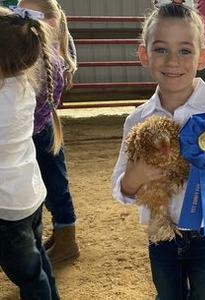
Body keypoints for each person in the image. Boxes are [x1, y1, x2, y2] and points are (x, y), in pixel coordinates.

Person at [112, 3, 205, 299]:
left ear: (203, 57)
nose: (173, 61)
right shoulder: (137, 121)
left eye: (185, 51)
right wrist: (134, 175)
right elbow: (122, 189)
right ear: (145, 55)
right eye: (161, 49)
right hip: (161, 235)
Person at [0, 6, 60, 299]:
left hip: (7, 208)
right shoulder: (21, 84)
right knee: (38, 264)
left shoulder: (4, 101)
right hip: (29, 195)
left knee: (28, 275)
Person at [18, 0, 79, 264]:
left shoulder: (43, 56)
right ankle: (63, 233)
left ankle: (67, 239)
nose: (19, 19)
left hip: (36, 130)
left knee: (52, 185)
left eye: (25, 14)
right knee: (53, 184)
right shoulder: (51, 50)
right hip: (43, 128)